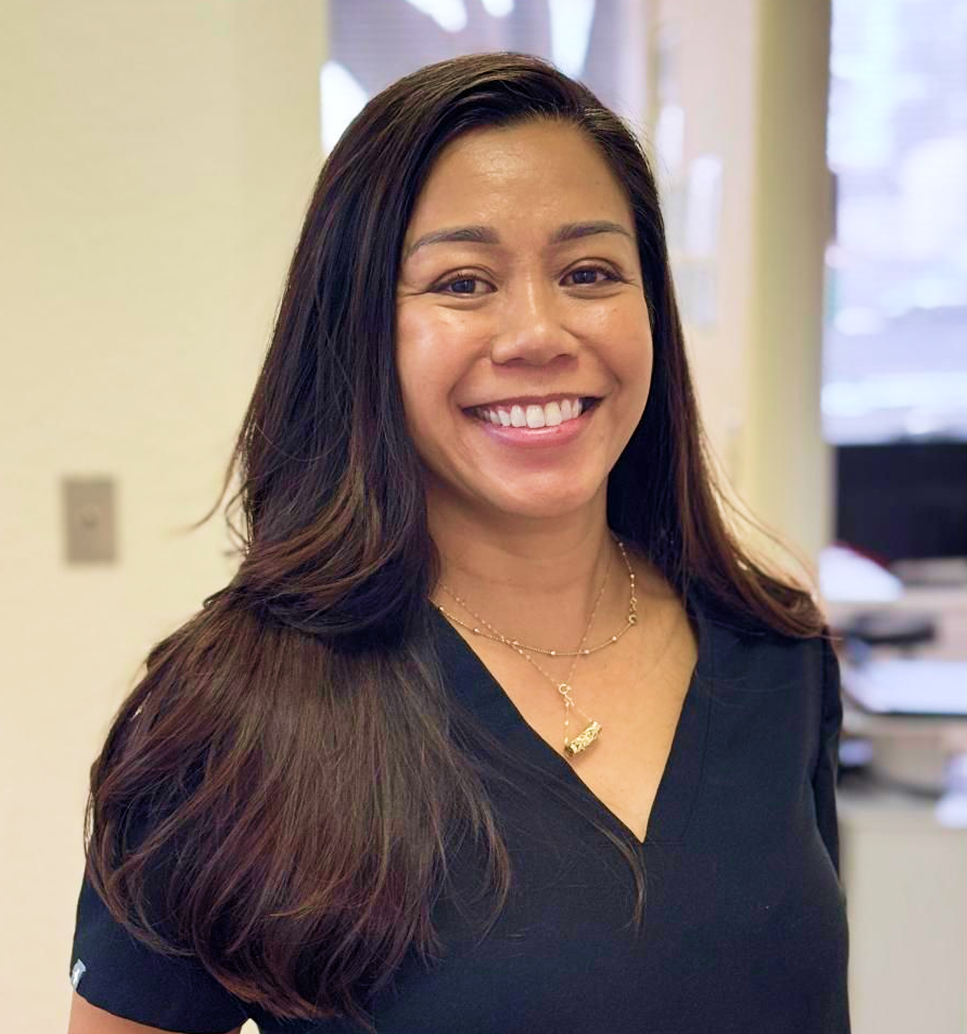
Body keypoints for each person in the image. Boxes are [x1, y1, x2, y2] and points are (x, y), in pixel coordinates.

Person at [67, 51, 849, 1034]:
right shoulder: (227, 720)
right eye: (464, 280)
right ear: (359, 330)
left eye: (589, 271)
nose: (537, 330)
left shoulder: (776, 655)